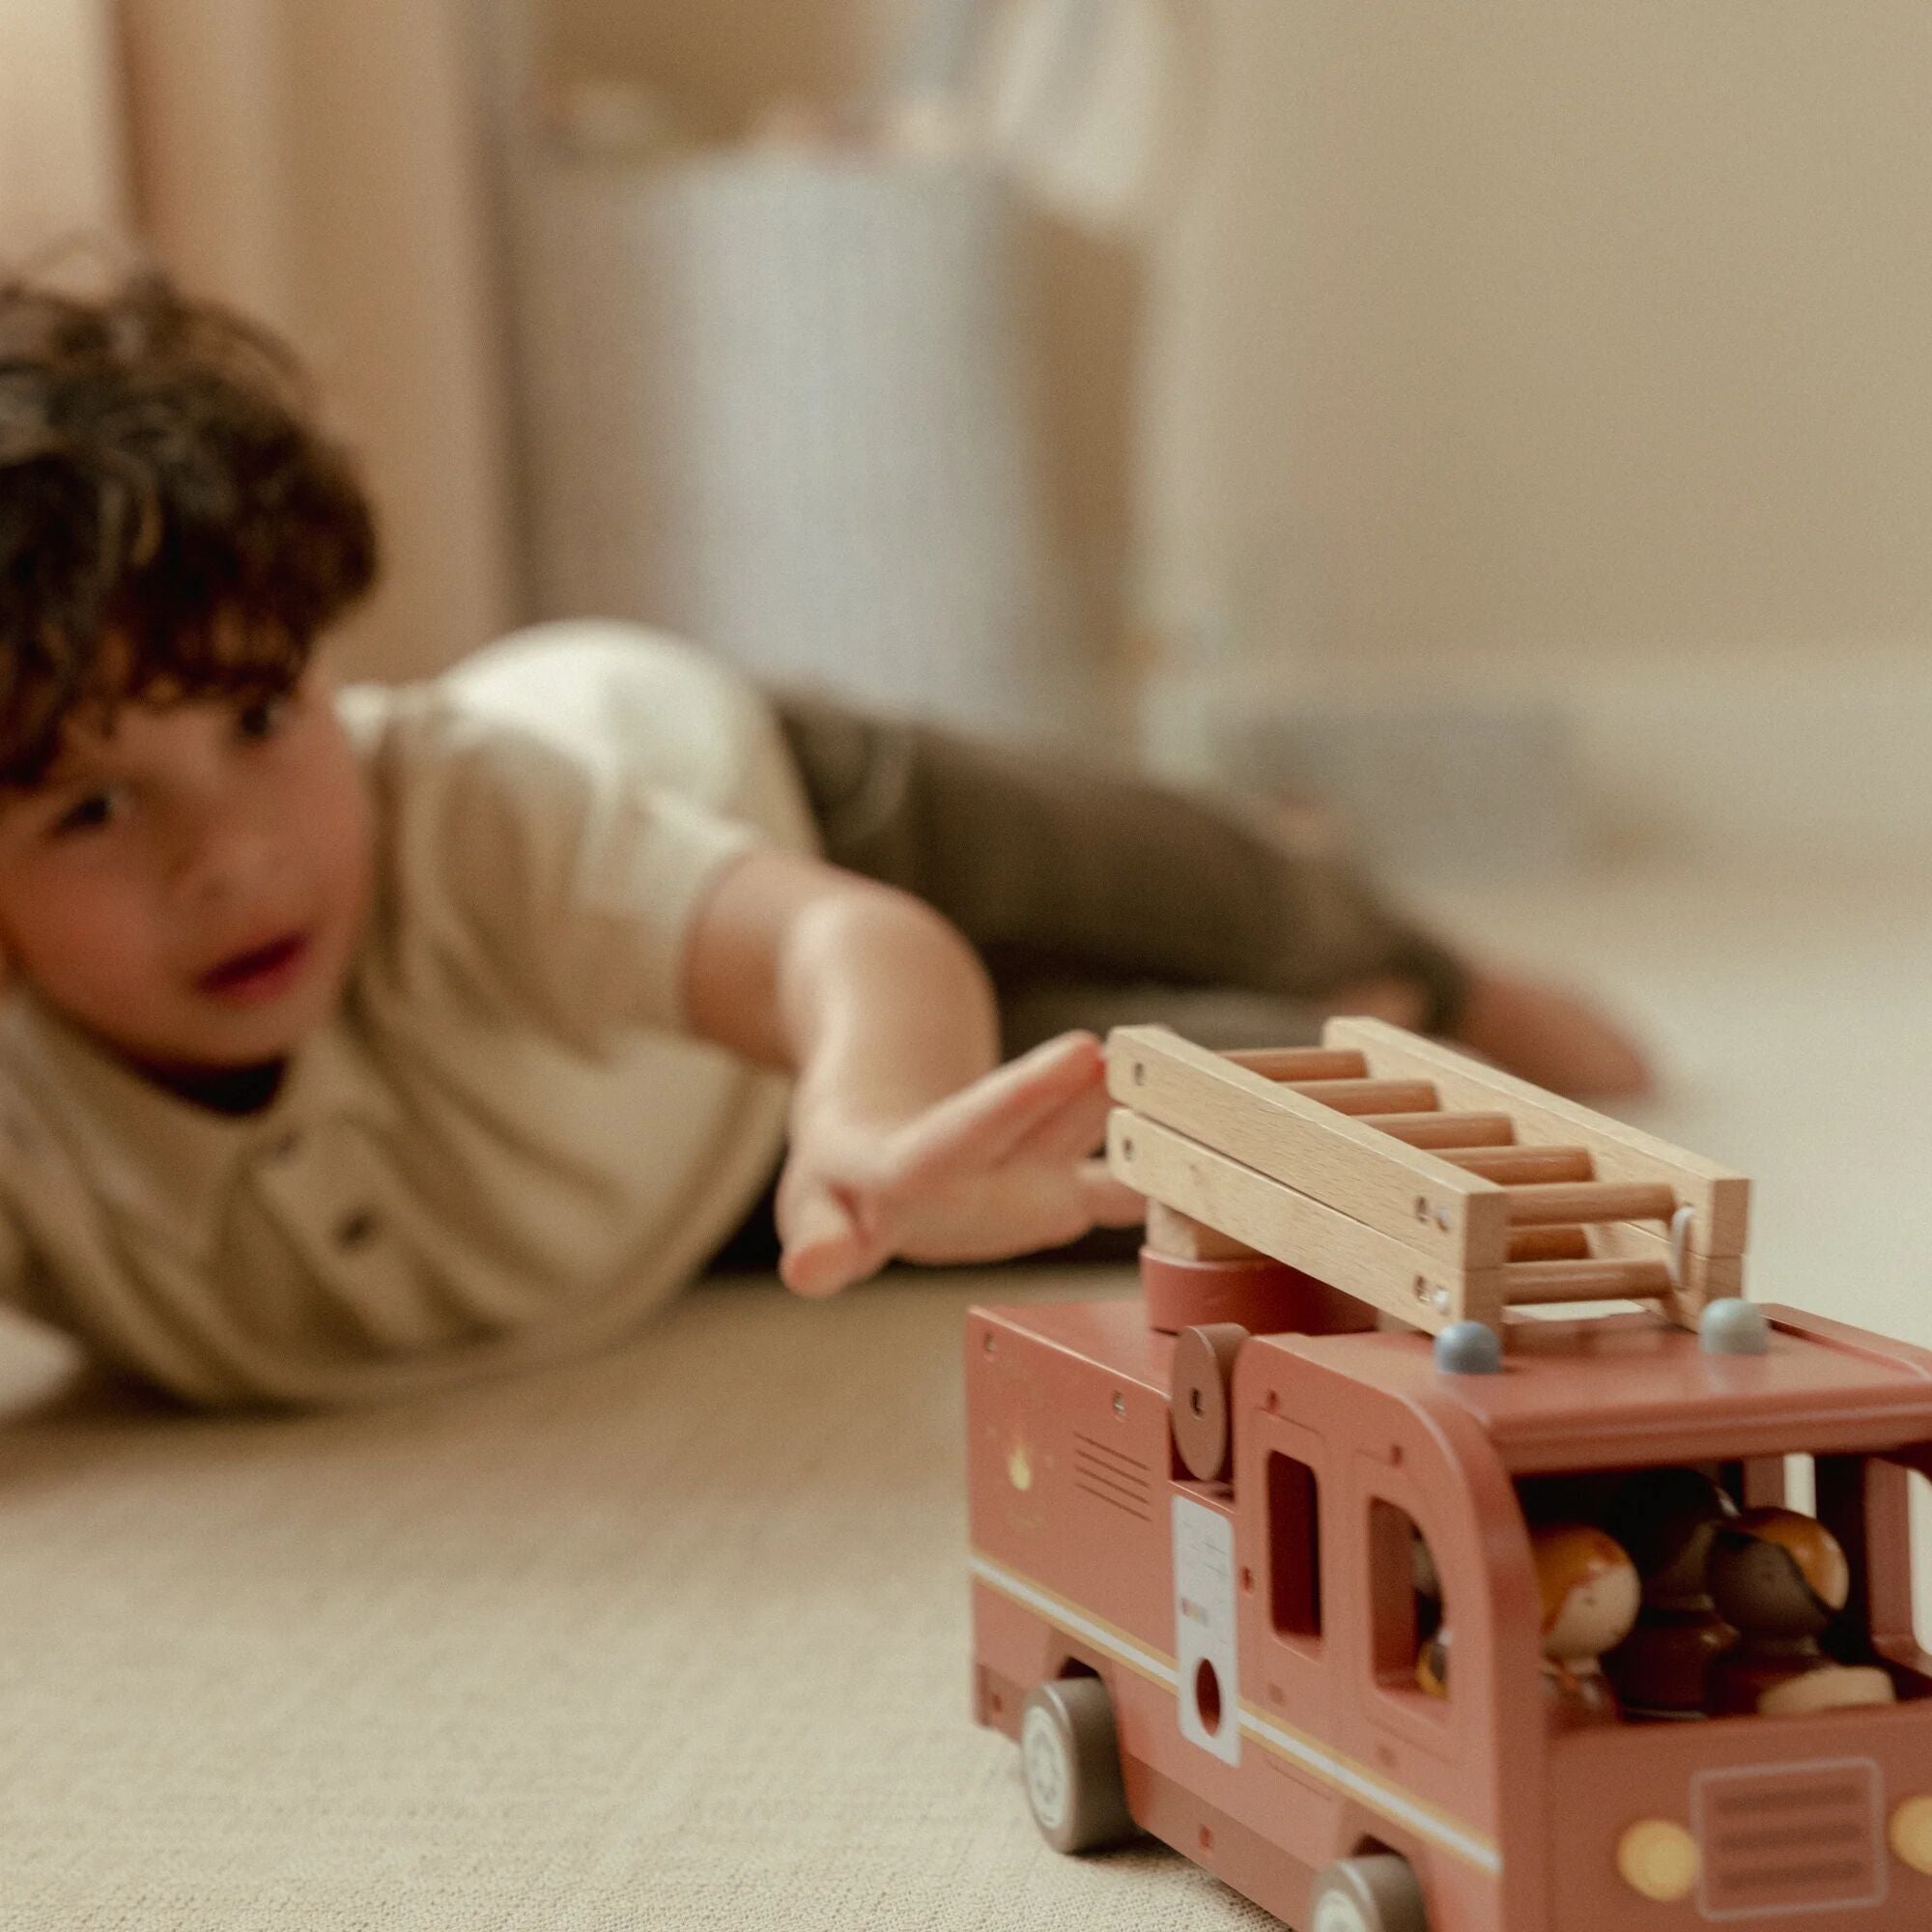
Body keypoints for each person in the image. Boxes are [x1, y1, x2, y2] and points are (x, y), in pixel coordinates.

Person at [0, 270, 1649, 1408]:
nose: (227, 859)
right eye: (90, 807)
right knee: (1190, 1113)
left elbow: (847, 947)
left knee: (1205, 877)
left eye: (260, 720)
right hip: (711, 1175)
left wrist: (862, 1107)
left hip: (772, 804)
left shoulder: (463, 822)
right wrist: (862, 1156)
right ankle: (1387, 1018)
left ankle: (1433, 957)